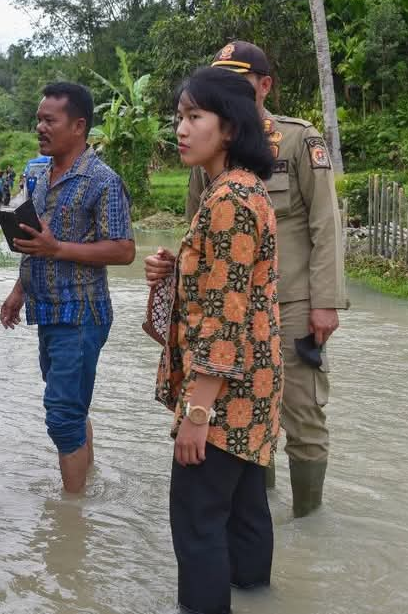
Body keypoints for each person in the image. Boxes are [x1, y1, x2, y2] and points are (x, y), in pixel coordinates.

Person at [183, 40, 346, 518]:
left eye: (242, 81)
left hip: (293, 303)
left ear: (266, 86)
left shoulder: (297, 140)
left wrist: (326, 302)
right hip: (234, 317)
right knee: (245, 419)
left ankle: (308, 522)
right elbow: (199, 231)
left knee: (303, 414)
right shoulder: (211, 147)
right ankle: (258, 520)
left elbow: (325, 223)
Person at [145, 66, 282, 614]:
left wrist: (198, 412)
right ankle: (255, 596)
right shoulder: (245, 191)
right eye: (180, 116)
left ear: (228, 128)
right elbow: (237, 285)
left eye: (194, 116)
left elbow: (226, 317)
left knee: (197, 521)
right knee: (247, 508)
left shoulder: (228, 200)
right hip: (256, 387)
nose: (180, 128)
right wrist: (178, 269)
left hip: (222, 394)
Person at [0, 82, 135, 494]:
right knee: (71, 409)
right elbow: (35, 239)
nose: (40, 127)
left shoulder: (102, 181)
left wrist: (57, 248)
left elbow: (124, 249)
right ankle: (87, 484)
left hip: (81, 314)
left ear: (78, 126)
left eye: (49, 120)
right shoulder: (39, 174)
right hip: (47, 311)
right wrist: (18, 291)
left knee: (61, 415)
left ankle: (72, 516)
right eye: (39, 119)